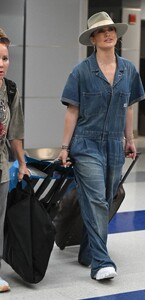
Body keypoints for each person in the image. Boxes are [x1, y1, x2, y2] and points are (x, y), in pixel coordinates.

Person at [58, 11, 145, 281]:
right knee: (96, 198)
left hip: (113, 145)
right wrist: (64, 147)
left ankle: (87, 251)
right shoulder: (81, 71)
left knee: (106, 199)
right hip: (85, 143)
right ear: (93, 39)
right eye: (102, 31)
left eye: (111, 29)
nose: (108, 33)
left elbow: (128, 107)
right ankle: (100, 261)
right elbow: (72, 111)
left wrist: (129, 140)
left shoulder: (128, 70)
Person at [0, 28, 30, 292]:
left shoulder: (10, 90)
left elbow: (15, 133)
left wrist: (21, 163)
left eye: (5, 58)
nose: (1, 64)